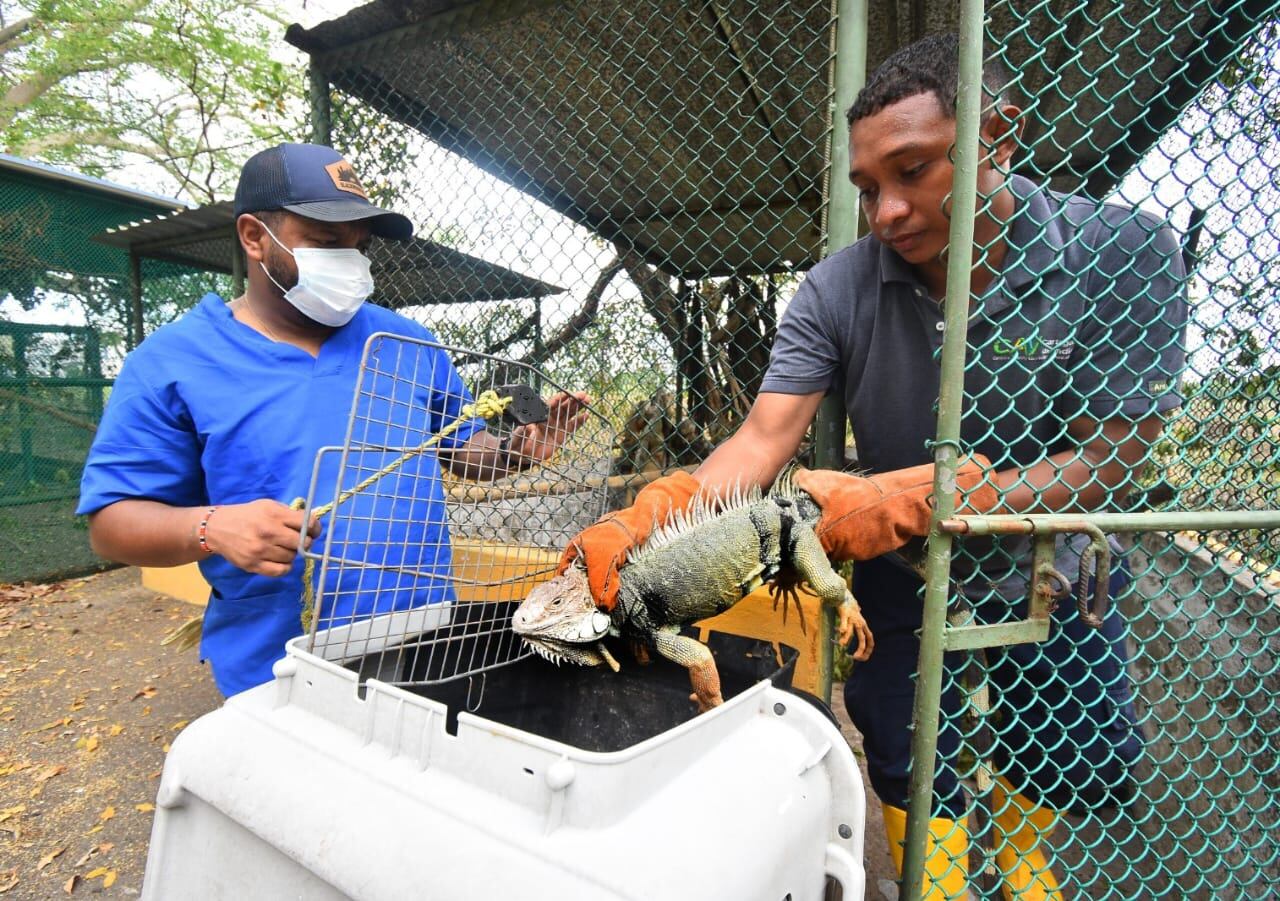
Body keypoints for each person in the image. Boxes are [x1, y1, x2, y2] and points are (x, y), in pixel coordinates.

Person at [560, 34, 1187, 900]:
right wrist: (654, 512)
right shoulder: (837, 287)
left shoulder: (1123, 250)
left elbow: (1111, 455)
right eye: (866, 188)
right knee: (899, 742)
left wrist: (942, 495)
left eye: (914, 170)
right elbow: (763, 439)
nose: (886, 211)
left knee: (1058, 753)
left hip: (1052, 560)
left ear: (998, 137)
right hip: (899, 564)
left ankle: (1023, 868)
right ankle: (936, 881)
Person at [79, 143, 588, 697]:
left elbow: (463, 446)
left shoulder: (407, 342)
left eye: (358, 246)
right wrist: (212, 528)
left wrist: (514, 451)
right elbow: (113, 524)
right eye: (324, 243)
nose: (348, 262)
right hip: (278, 662)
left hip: (424, 641)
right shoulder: (173, 362)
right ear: (254, 237)